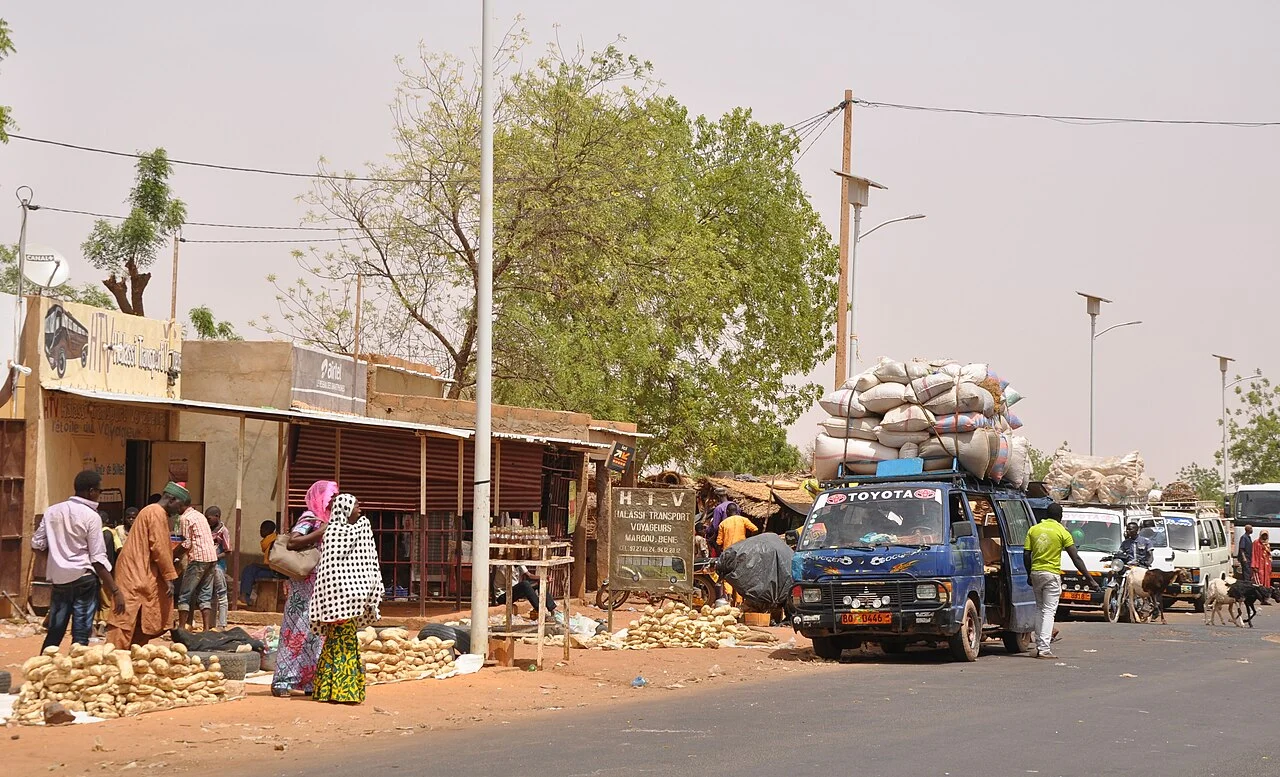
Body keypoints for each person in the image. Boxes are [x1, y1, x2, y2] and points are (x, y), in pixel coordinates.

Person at [31, 471, 125, 651]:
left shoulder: (52, 511)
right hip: (84, 580)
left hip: (59, 579)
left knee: (55, 632)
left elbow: (37, 544)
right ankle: (76, 665)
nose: (99, 495)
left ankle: (44, 664)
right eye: (99, 491)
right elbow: (97, 559)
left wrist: (55, 559)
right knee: (81, 636)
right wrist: (115, 590)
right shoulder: (91, 517)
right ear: (91, 491)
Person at [309, 493, 383, 704]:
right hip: (338, 599)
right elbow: (329, 569)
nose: (359, 508)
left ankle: (326, 690)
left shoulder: (358, 529)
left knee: (335, 643)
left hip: (351, 599)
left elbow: (366, 562)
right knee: (344, 644)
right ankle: (343, 692)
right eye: (356, 505)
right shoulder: (335, 532)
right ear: (345, 509)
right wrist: (342, 595)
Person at [272, 481, 338, 697]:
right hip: (304, 585)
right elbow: (293, 542)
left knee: (315, 634)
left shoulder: (330, 519)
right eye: (331, 496)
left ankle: (309, 681)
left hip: (322, 585)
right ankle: (283, 680)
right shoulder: (310, 517)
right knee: (296, 630)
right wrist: (321, 531)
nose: (334, 500)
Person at [105, 483, 183, 649]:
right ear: (171, 499)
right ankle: (113, 655)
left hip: (141, 573)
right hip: (135, 574)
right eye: (179, 505)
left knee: (142, 619)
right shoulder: (156, 512)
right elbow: (159, 547)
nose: (179, 510)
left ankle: (133, 655)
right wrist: (169, 577)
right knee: (124, 620)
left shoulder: (152, 512)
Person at [1023, 502, 1099, 661]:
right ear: (1060, 516)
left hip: (1036, 573)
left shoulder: (1034, 529)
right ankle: (1044, 649)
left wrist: (1029, 574)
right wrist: (1090, 579)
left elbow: (1026, 554)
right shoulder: (1062, 532)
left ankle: (1039, 645)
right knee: (1049, 611)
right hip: (1051, 575)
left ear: (1046, 515)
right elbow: (1075, 558)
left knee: (1040, 609)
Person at [176, 497, 218, 631]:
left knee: (185, 595)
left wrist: (173, 555)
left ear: (180, 505)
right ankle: (206, 629)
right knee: (205, 594)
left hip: (198, 558)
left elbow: (186, 543)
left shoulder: (185, 518)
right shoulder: (199, 516)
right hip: (211, 558)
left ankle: (181, 628)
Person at [239, 520, 281, 606]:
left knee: (250, 570)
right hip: (272, 570)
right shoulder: (269, 542)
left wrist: (257, 566)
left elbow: (273, 565)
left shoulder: (274, 543)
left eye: (263, 529)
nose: (261, 531)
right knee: (250, 569)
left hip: (276, 573)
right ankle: (246, 596)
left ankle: (244, 596)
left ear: (269, 530)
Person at [207, 506, 231, 629]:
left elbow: (228, 551)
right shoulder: (207, 529)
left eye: (209, 518)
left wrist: (215, 557)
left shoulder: (223, 531)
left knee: (221, 594)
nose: (207, 521)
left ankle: (222, 624)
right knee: (211, 596)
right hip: (207, 566)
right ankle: (211, 624)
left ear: (217, 516)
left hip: (218, 567)